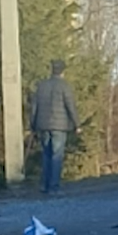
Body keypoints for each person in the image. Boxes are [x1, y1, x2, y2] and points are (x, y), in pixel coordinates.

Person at [30, 59, 80, 195]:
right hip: (59, 125)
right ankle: (54, 187)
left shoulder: (41, 86)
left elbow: (34, 107)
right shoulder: (65, 86)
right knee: (56, 156)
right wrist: (77, 124)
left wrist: (33, 125)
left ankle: (44, 185)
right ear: (63, 71)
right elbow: (71, 106)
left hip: (43, 125)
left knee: (46, 155)